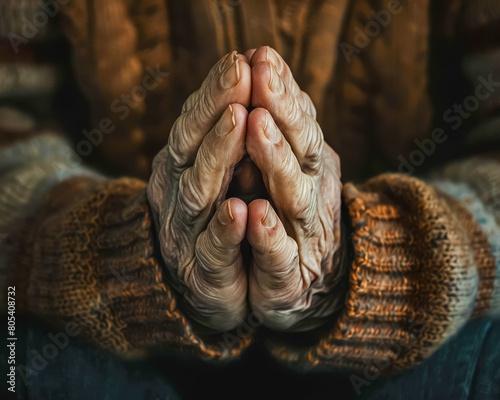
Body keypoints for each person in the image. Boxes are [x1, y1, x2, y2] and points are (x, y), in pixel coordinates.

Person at [1, 0, 499, 399]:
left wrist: (370, 263)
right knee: (15, 340)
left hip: (392, 357)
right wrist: (129, 255)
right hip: (118, 340)